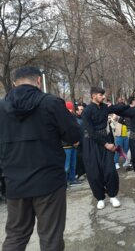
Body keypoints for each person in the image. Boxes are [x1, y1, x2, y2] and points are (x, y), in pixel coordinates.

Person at [0, 67, 81, 251]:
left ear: (14, 83)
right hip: (49, 183)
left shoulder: (1, 107)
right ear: (38, 81)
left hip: (15, 182)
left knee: (16, 236)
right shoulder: (51, 103)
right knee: (51, 237)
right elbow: (74, 134)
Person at [82, 87, 129, 210]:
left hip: (107, 143)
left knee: (110, 171)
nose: (103, 97)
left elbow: (118, 108)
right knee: (95, 174)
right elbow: (91, 133)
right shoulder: (86, 111)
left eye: (103, 95)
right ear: (93, 96)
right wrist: (106, 144)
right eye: (100, 95)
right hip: (92, 145)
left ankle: (113, 195)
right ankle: (100, 198)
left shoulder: (104, 108)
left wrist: (129, 106)